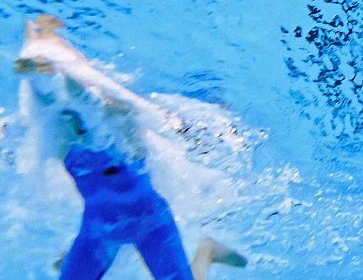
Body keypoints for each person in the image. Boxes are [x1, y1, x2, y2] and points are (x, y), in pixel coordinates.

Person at [14, 15, 247, 280]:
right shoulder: (62, 139)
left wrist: (55, 57)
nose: (79, 125)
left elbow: (83, 83)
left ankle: (206, 250)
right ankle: (69, 261)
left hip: (152, 224)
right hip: (100, 230)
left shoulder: (125, 137)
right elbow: (44, 96)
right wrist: (35, 53)